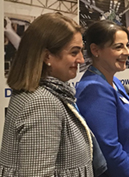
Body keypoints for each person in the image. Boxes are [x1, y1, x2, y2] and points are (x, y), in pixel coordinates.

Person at [0, 13, 93, 176]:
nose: (81, 60)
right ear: (46, 56)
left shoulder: (41, 94)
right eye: (74, 52)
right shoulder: (43, 102)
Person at [75, 20, 129, 177]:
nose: (128, 52)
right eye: (118, 47)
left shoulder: (113, 81)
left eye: (127, 45)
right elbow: (109, 150)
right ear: (95, 50)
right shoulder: (93, 89)